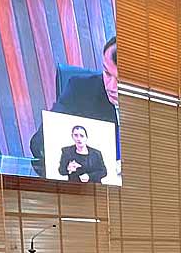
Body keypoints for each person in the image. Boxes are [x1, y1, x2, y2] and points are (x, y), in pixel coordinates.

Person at [31, 38, 119, 172]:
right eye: (107, 73)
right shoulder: (80, 90)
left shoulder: (155, 105)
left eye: (120, 79)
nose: (112, 86)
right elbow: (38, 144)